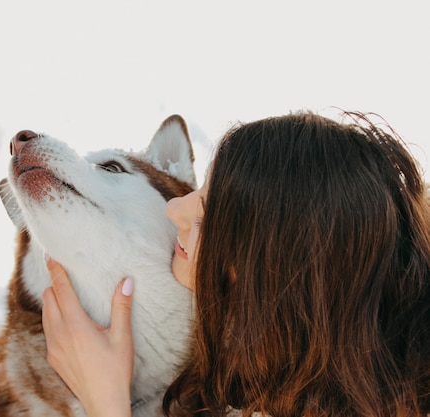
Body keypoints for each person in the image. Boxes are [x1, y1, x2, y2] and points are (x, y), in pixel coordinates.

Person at [42, 111, 430, 416]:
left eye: (208, 211)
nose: (175, 207)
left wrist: (105, 402)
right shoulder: (277, 367)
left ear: (275, 272)